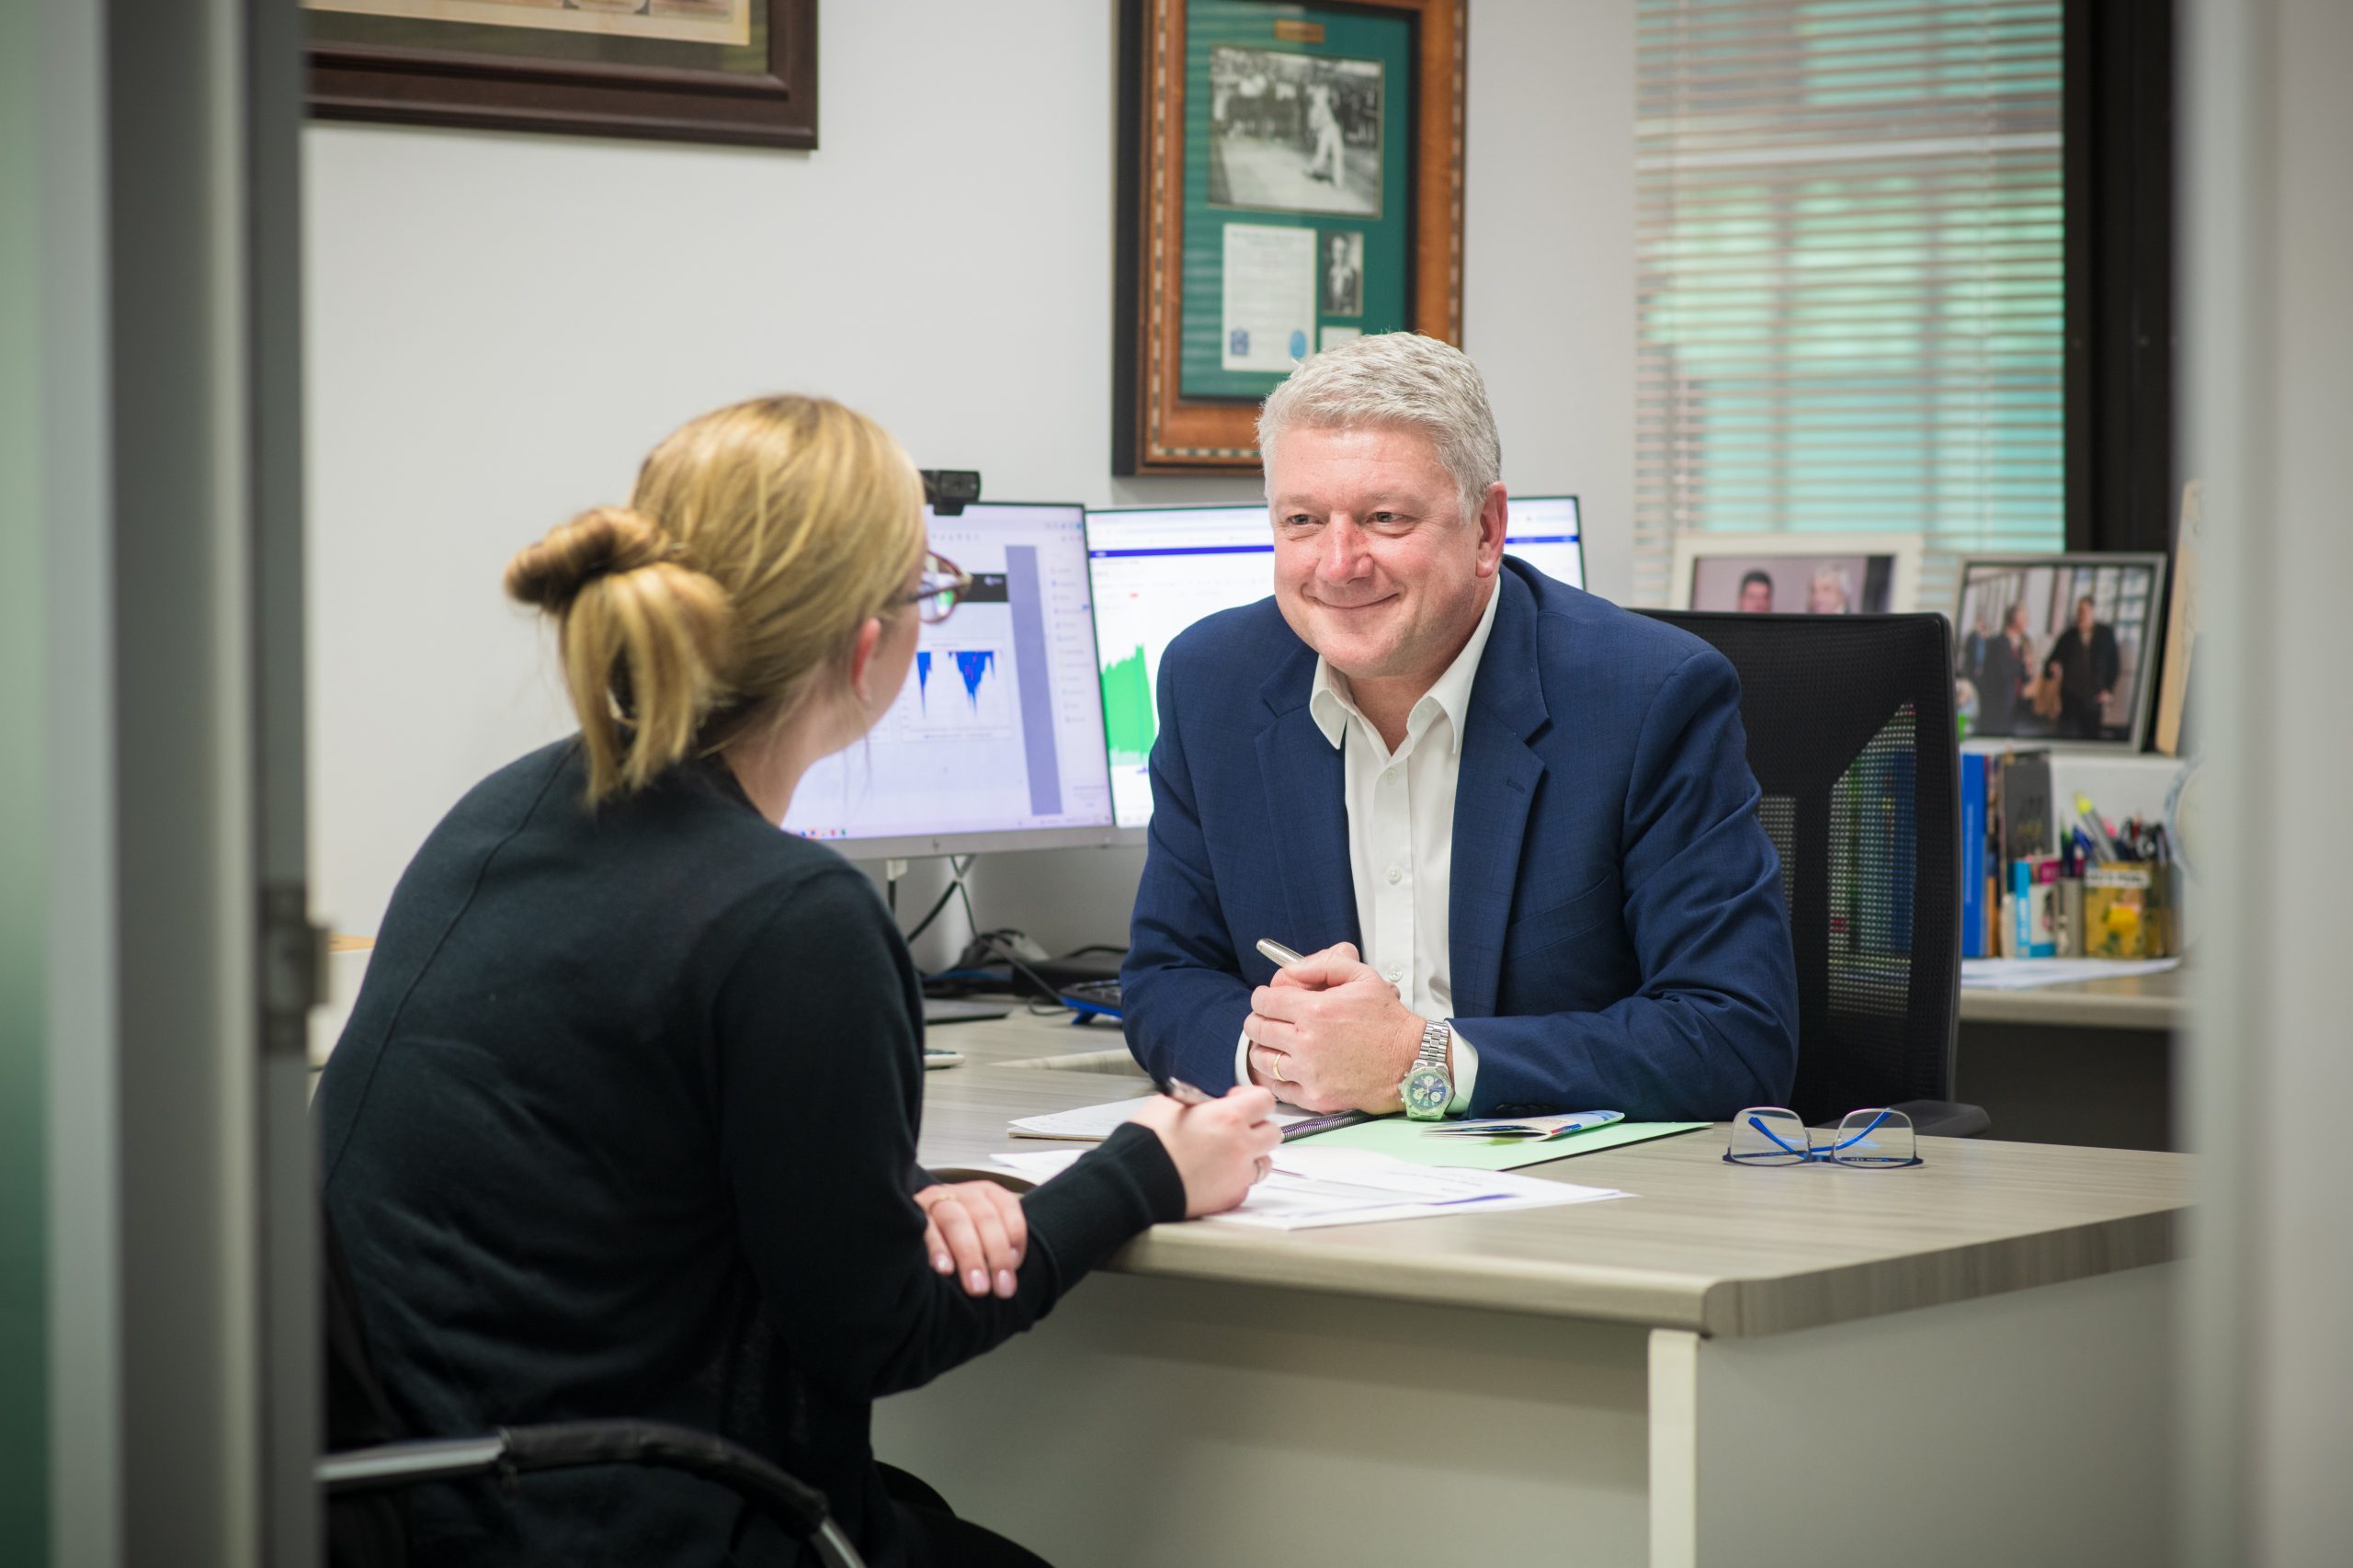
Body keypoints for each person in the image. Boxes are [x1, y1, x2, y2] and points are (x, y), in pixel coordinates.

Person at [314, 395, 1280, 1568]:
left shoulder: (509, 809)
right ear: (869, 649)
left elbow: (648, 1148)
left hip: (437, 1502)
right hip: (640, 1516)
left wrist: (909, 1190)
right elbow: (882, 1333)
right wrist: (1149, 1169)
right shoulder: (790, 917)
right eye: (929, 590)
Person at [1120, 333, 1798, 1123]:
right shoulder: (1213, 682)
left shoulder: (1647, 697)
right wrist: (1289, 1058)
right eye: (1302, 520)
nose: (1337, 564)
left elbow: (1735, 1038)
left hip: (1567, 1183)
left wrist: (1421, 1061)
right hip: (1308, 1171)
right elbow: (1165, 979)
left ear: (1486, 529)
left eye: (1385, 518)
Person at [2044, 593, 2121, 739]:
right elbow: (2051, 661)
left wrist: (2108, 690)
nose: (2080, 614)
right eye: (2078, 610)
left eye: (2084, 610)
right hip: (2069, 698)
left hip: (2094, 698)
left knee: (2090, 738)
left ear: (2092, 611)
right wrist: (2052, 668)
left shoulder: (2106, 634)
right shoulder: (2068, 635)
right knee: (2066, 736)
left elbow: (2114, 665)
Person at [1977, 602, 2031, 733]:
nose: (2027, 622)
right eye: (2024, 618)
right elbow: (2003, 670)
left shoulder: (2021, 645)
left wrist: (2027, 668)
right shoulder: (1998, 643)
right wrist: (2023, 664)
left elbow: (2023, 675)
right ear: (2014, 621)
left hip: (2014, 704)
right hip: (1997, 705)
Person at [1324, 233, 1361, 316]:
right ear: (1333, 251)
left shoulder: (1356, 275)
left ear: (1348, 252)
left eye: (1344, 251)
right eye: (1337, 251)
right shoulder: (1326, 273)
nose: (1340, 255)